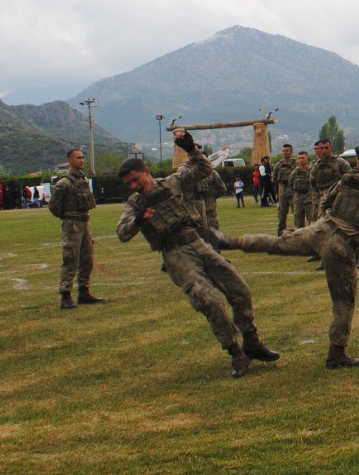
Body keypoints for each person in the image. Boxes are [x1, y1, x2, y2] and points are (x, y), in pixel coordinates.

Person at [218, 142, 359, 369]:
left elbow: (327, 201)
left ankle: (229, 241)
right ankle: (336, 354)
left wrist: (327, 219)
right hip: (341, 244)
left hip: (320, 230)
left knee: (277, 243)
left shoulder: (349, 177)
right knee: (343, 302)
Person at [116, 131, 278, 378]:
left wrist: (190, 148)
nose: (134, 186)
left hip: (197, 242)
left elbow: (204, 169)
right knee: (208, 300)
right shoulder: (136, 204)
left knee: (239, 287)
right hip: (175, 254)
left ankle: (252, 341)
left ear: (146, 171)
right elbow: (123, 233)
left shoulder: (172, 182)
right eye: (129, 184)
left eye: (136, 180)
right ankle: (236, 352)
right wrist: (139, 219)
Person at [49, 148, 103, 310]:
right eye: (78, 158)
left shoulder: (83, 180)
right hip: (72, 224)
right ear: (70, 161)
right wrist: (66, 217)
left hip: (84, 222)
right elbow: (53, 206)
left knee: (87, 258)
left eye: (83, 157)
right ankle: (65, 294)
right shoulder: (64, 183)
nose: (82, 160)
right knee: (71, 259)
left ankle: (84, 291)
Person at [287, 152, 315, 229]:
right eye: (299, 158)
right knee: (298, 223)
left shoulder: (311, 170)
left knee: (312, 222)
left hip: (309, 200)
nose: (301, 160)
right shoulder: (294, 172)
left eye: (303, 158)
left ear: (307, 159)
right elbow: (290, 184)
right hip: (298, 200)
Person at [272, 145, 297, 231]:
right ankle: (280, 236)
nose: (285, 152)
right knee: (281, 217)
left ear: (291, 152)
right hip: (282, 194)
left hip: (293, 193)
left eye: (287, 150)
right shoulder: (279, 164)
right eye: (283, 151)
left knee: (297, 215)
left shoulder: (296, 163)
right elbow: (274, 179)